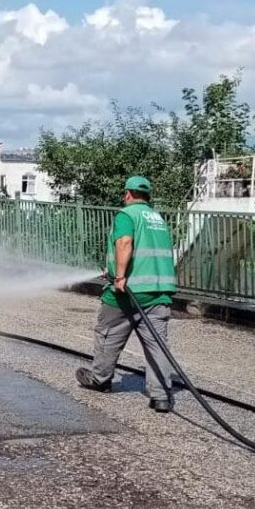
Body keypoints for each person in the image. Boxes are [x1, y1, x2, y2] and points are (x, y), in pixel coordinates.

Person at [76, 175, 178, 411]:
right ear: (147, 196)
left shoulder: (126, 214)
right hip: (159, 292)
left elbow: (124, 243)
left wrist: (119, 275)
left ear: (128, 194)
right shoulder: (158, 218)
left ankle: (100, 379)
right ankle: (161, 396)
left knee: (107, 333)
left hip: (128, 291)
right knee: (157, 345)